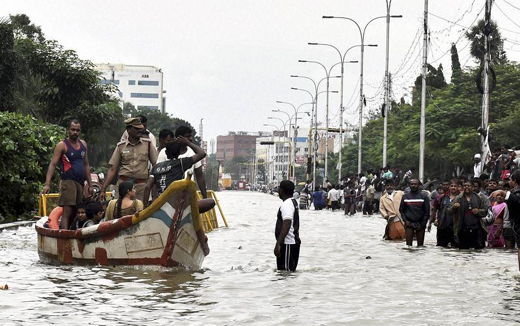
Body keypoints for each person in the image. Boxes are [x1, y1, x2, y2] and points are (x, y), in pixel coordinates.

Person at [41, 119, 93, 229]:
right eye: (73, 130)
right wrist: (47, 184)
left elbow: (86, 164)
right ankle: (64, 235)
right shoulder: (62, 145)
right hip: (68, 181)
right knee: (67, 210)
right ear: (68, 130)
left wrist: (90, 184)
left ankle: (72, 232)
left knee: (77, 211)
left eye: (77, 130)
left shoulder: (83, 144)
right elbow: (53, 165)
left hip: (80, 183)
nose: (75, 132)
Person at [143, 136, 215, 213]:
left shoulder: (156, 167)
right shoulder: (181, 163)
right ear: (180, 152)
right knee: (211, 202)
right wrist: (188, 143)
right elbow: (202, 153)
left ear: (166, 153)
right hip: (177, 204)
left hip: (161, 204)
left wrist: (145, 208)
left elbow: (147, 187)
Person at [100, 117, 158, 202]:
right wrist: (103, 189)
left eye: (140, 128)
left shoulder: (148, 145)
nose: (139, 131)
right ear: (128, 129)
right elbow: (112, 169)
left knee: (140, 212)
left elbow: (156, 166)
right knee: (120, 211)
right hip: (123, 185)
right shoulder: (121, 146)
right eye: (136, 128)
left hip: (141, 187)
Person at [157, 126, 208, 199]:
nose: (190, 139)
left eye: (191, 136)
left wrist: (205, 197)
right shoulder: (165, 152)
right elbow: (157, 177)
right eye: (188, 137)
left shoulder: (193, 153)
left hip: (188, 195)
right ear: (179, 138)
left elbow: (199, 176)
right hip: (168, 196)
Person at [490, 170, 520, 269]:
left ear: (514, 180)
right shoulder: (513, 193)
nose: (509, 182)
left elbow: (517, 200)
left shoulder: (516, 193)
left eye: (511, 179)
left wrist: (504, 193)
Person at [448, 181, 488, 249]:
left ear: (472, 188)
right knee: (463, 249)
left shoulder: (479, 198)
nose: (466, 187)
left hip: (476, 228)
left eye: (468, 186)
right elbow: (449, 211)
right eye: (465, 186)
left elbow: (485, 211)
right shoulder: (458, 198)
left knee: (478, 249)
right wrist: (454, 207)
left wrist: (478, 211)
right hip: (462, 228)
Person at [274, 180, 301, 272]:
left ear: (281, 190)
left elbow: (287, 223)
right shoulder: (293, 202)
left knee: (285, 273)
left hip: (288, 243)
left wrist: (278, 244)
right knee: (287, 274)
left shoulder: (287, 204)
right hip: (291, 243)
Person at [428, 179, 459, 247]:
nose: (453, 187)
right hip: (443, 226)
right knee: (441, 247)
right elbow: (435, 210)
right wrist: (430, 223)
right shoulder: (441, 198)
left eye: (455, 186)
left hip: (456, 227)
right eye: (452, 186)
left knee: (456, 247)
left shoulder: (461, 198)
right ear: (449, 187)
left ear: (458, 187)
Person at [399, 179, 430, 246]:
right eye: (412, 184)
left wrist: (423, 223)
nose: (413, 185)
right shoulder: (405, 196)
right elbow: (401, 210)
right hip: (409, 223)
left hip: (420, 223)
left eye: (415, 184)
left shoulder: (424, 197)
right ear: (409, 186)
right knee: (408, 246)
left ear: (418, 185)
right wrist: (405, 221)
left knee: (420, 246)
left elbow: (427, 212)